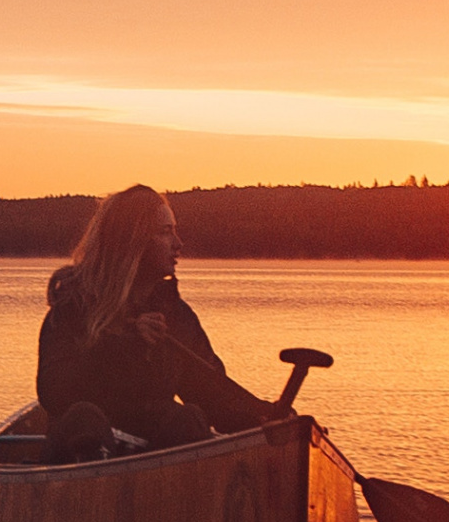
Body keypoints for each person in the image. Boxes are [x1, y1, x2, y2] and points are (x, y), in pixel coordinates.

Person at [36, 185, 285, 459]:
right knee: (85, 418)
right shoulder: (73, 310)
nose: (178, 244)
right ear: (133, 241)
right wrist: (126, 346)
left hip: (155, 456)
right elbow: (55, 392)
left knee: (188, 418)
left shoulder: (175, 316)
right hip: (82, 452)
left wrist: (264, 415)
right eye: (165, 232)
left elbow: (210, 392)